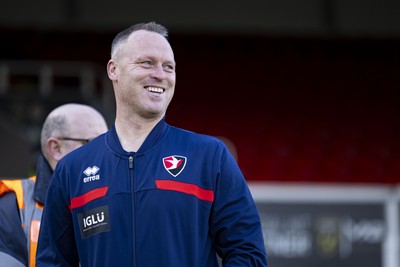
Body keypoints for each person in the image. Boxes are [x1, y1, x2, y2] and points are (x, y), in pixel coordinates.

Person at [36, 22, 267, 267]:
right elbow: (53, 262)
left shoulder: (209, 157)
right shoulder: (73, 168)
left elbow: (248, 254)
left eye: (169, 67)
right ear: (114, 70)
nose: (160, 74)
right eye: (147, 63)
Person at [0, 103, 108, 267]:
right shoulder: (11, 206)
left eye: (106, 144)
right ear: (56, 148)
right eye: (91, 143)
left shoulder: (117, 194)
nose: (102, 153)